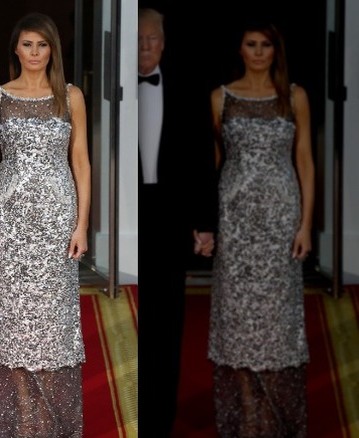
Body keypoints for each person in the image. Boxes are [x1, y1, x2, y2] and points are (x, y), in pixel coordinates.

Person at [0, 12, 90, 436]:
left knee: (53, 324)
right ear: (16, 48)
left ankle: (54, 423)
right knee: (14, 325)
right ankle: (25, 423)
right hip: (11, 223)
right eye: (27, 45)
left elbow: (80, 162)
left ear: (52, 50)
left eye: (42, 45)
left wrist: (81, 225)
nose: (35, 53)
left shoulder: (70, 95)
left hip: (57, 222)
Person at [208, 20, 313, 437]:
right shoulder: (220, 97)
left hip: (280, 221)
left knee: (276, 322)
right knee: (237, 322)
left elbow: (304, 161)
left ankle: (274, 418)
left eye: (265, 45)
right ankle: (249, 418)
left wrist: (306, 224)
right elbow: (214, 165)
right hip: (235, 220)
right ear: (240, 49)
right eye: (250, 44)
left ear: (275, 50)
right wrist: (207, 225)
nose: (257, 52)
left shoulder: (294, 96)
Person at [137, 7, 218, 436]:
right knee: (133, 316)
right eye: (137, 39)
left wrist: (205, 223)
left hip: (169, 219)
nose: (145, 47)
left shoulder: (187, 89)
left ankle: (159, 422)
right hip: (127, 218)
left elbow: (204, 158)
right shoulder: (112, 93)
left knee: (168, 325)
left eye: (152, 39)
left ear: (164, 43)